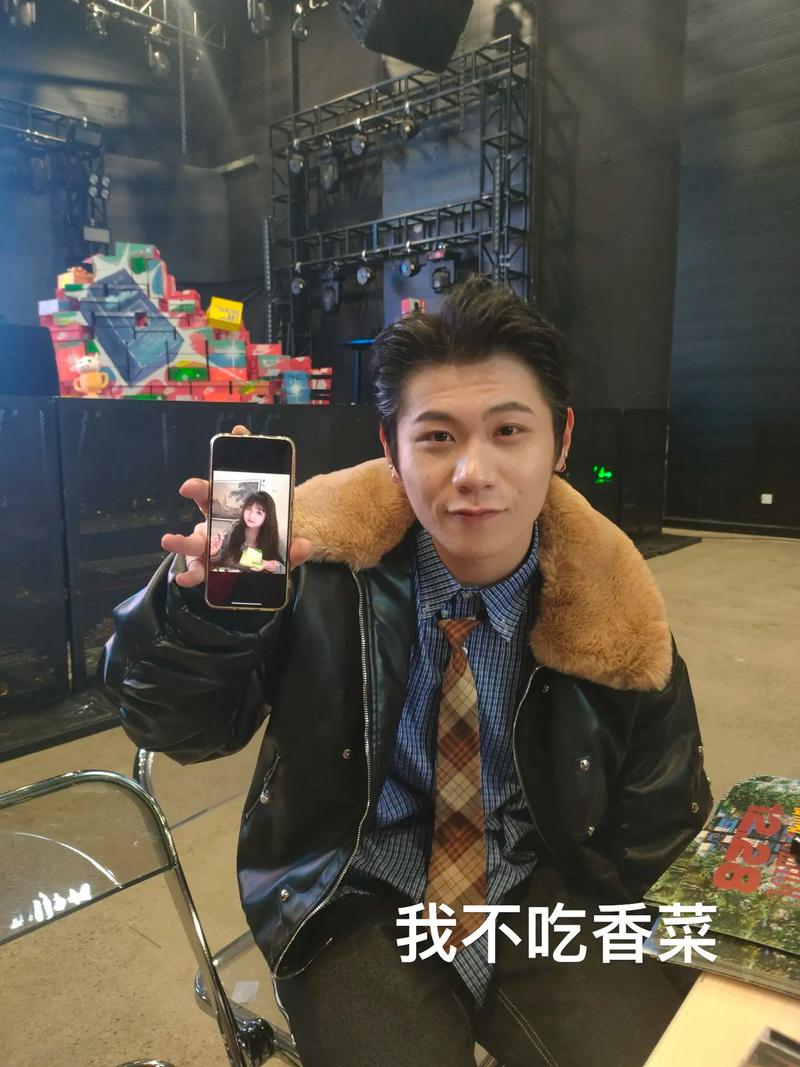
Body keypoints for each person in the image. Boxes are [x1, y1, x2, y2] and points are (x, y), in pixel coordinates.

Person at [100, 276, 713, 1067]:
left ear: (561, 440)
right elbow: (177, 728)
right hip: (352, 892)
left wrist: (688, 974)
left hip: (541, 887)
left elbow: (658, 828)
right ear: (391, 449)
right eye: (438, 437)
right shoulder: (315, 570)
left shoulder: (615, 606)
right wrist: (206, 616)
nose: (473, 472)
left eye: (508, 430)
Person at [209, 489, 284, 573]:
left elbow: (284, 571)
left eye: (259, 512)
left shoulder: (275, 540)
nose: (251, 516)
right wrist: (214, 553)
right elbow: (218, 559)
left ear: (268, 517)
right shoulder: (233, 529)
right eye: (249, 509)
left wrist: (268, 565)